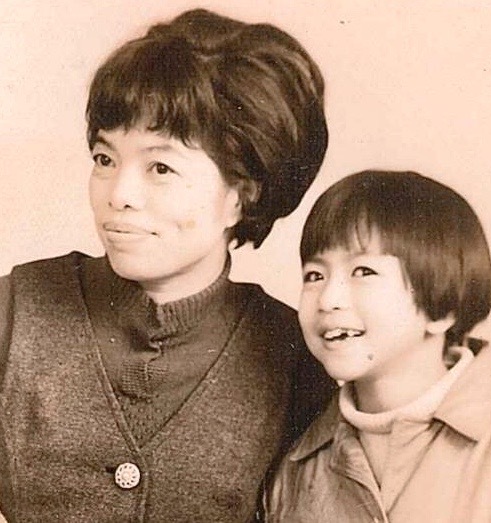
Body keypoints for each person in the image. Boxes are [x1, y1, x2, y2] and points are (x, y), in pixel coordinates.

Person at [0, 8, 334, 522]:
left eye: (160, 167)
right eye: (105, 159)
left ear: (242, 195)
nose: (119, 195)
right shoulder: (15, 311)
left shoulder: (296, 361)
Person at [263, 170, 491, 522]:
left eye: (363, 272)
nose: (328, 299)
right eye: (315, 275)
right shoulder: (297, 467)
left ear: (442, 309)